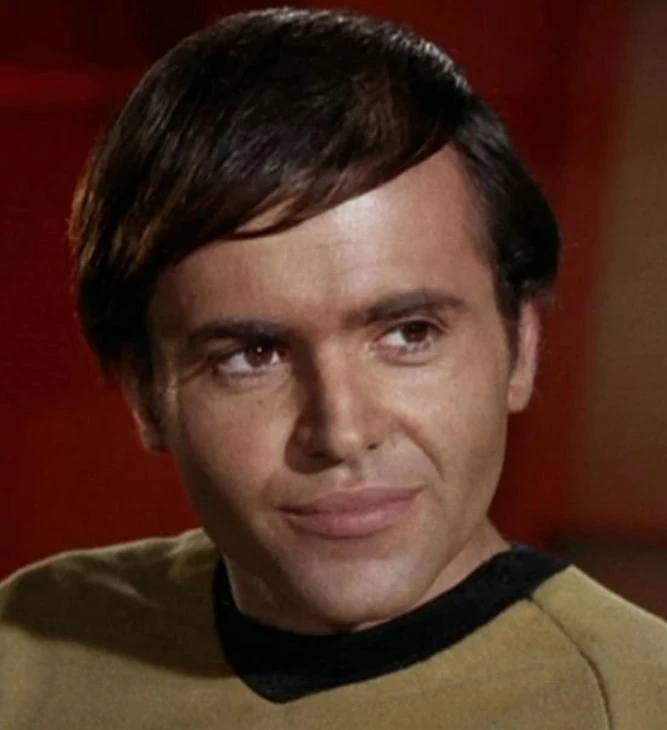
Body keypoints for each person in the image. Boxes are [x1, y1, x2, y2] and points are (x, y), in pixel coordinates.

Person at [1, 7, 665, 728]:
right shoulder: (30, 648)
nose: (342, 432)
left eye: (410, 334)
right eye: (253, 355)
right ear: (144, 394)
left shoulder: (635, 702)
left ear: (520, 347)